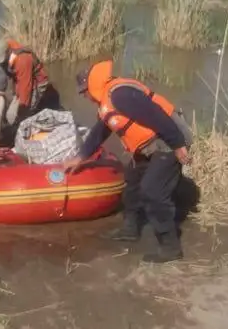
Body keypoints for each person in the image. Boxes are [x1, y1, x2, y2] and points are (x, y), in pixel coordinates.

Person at [64, 59, 193, 264]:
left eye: (84, 92)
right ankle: (130, 229)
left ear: (91, 86)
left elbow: (157, 117)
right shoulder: (106, 101)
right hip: (148, 145)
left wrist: (178, 145)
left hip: (167, 140)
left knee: (152, 191)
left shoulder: (121, 94)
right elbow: (100, 131)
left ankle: (170, 247)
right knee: (132, 181)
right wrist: (81, 157)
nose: (85, 97)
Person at [0, 38, 62, 127]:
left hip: (37, 83)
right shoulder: (4, 46)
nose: (0, 64)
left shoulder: (23, 60)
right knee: (10, 113)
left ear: (8, 52)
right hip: (20, 79)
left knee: (25, 112)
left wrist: (22, 110)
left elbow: (26, 89)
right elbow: (8, 76)